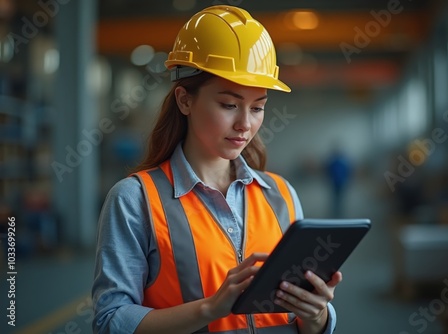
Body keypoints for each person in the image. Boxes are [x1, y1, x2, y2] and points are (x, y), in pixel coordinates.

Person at [92, 5, 342, 334]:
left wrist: (317, 316)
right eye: (229, 105)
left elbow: (302, 322)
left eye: (258, 108)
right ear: (184, 100)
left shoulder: (281, 195)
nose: (245, 124)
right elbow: (110, 322)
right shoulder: (135, 200)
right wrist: (211, 308)